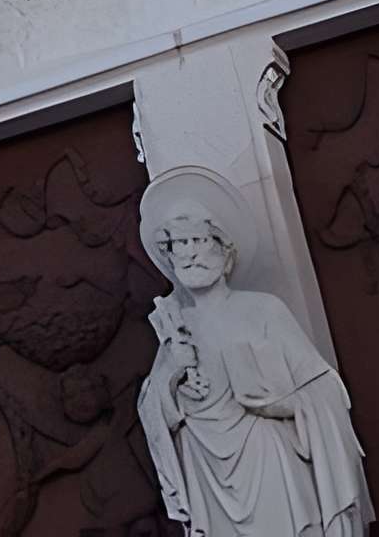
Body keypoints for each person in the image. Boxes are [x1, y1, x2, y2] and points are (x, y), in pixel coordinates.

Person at [136, 168, 367, 537]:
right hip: (206, 472)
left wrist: (280, 403)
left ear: (223, 250)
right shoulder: (175, 328)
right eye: (180, 244)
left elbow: (325, 389)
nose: (192, 254)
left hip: (268, 460)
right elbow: (153, 415)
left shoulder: (263, 310)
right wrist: (170, 376)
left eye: (200, 240)